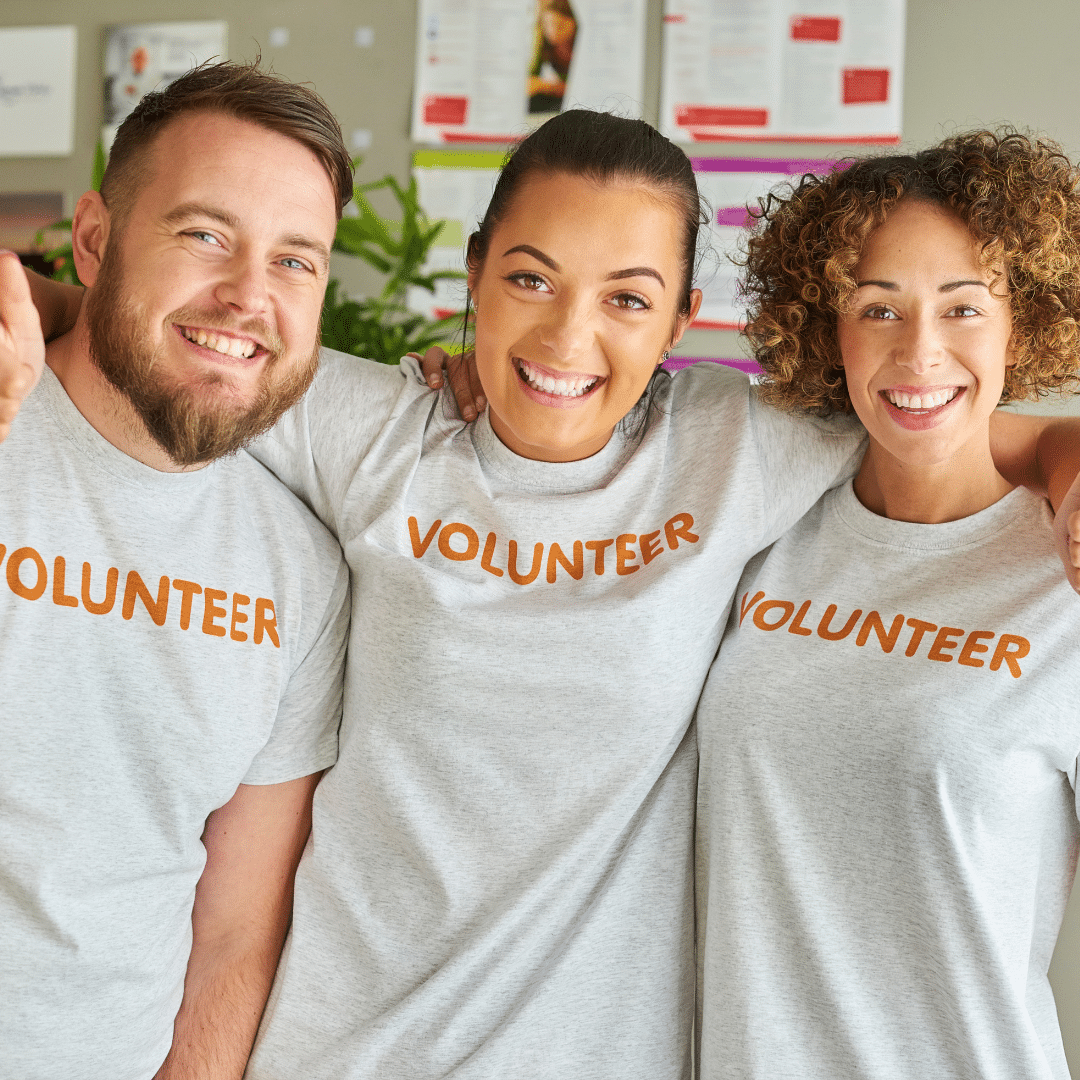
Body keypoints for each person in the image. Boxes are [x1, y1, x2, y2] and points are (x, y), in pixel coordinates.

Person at [9, 110, 1080, 1079]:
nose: (571, 337)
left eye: (627, 298)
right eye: (531, 279)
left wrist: (1069, 454)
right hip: (341, 1051)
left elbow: (933, 415)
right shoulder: (374, 433)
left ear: (679, 322)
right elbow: (171, 338)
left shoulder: (734, 446)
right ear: (473, 272)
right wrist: (31, 296)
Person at [695, 130, 1080, 1080]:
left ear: (1020, 326)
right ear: (830, 327)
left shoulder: (1067, 571)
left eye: (963, 308)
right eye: (880, 308)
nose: (921, 353)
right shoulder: (761, 525)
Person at [0, 62, 356, 1080]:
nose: (249, 296)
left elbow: (237, 933)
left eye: (296, 260)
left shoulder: (302, 570)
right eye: (205, 235)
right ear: (97, 239)